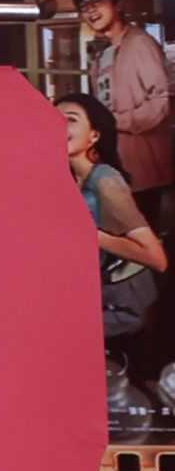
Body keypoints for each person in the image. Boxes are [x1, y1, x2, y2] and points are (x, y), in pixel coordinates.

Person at [68, 95, 169, 416]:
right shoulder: (71, 180)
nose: (58, 126)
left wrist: (93, 237)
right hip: (101, 293)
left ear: (94, 135)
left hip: (126, 301)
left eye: (70, 119)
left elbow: (155, 257)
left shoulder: (105, 180)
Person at [72, 0, 175, 200]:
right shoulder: (102, 54)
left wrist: (114, 121)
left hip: (143, 168)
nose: (90, 10)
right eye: (84, 6)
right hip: (114, 164)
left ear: (118, 5)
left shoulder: (139, 44)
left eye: (97, 2)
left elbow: (160, 103)